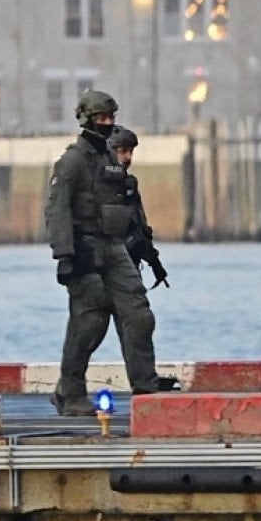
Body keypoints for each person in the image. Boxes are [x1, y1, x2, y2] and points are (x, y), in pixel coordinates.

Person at [46, 90, 160, 416]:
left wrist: (143, 245)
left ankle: (146, 386)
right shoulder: (72, 161)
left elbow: (125, 206)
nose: (107, 123)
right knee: (88, 322)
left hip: (114, 246)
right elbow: (57, 210)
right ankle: (70, 392)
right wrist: (65, 255)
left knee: (139, 315)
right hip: (85, 246)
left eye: (111, 117)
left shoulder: (109, 158)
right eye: (101, 118)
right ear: (86, 119)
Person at [107, 126, 168, 288]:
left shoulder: (129, 184)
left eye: (131, 152)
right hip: (105, 264)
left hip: (130, 263)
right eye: (122, 151)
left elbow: (139, 224)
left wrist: (154, 261)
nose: (128, 157)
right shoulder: (95, 185)